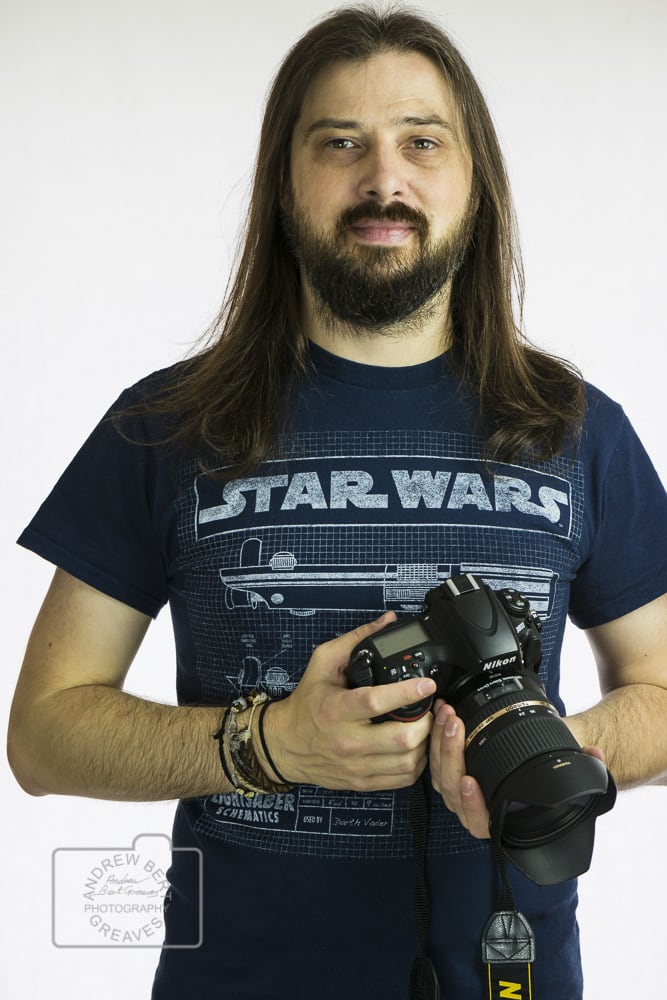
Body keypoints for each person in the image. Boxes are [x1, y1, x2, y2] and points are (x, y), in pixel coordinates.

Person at [8, 4, 667, 998]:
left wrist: (552, 751)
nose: (384, 179)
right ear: (286, 182)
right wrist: (268, 742)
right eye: (340, 144)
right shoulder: (166, 423)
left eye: (420, 142)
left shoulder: (575, 427)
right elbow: (43, 735)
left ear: (474, 182)